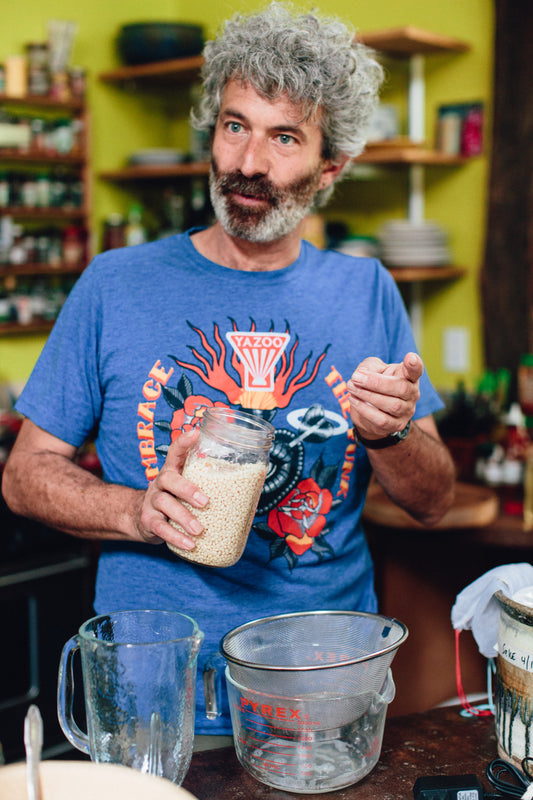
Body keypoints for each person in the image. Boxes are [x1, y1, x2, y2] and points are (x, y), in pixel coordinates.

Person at [2, 1, 455, 736]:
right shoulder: (115, 284)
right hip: (155, 685)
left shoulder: (365, 290)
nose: (248, 163)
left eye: (284, 137)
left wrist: (392, 435)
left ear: (328, 167)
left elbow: (433, 499)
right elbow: (24, 475)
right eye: (235, 125)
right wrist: (136, 512)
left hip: (316, 683)